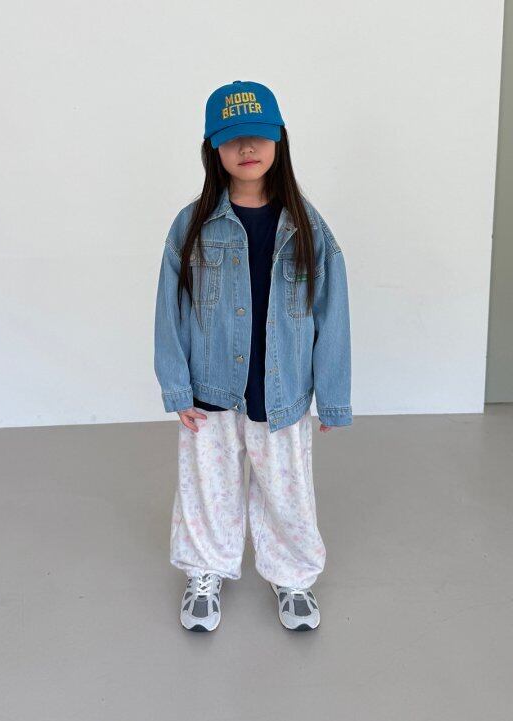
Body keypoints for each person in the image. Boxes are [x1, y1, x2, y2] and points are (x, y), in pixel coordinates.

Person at [153, 79, 353, 632]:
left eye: (259, 136)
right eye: (233, 138)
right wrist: (176, 386)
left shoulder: (308, 227)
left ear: (278, 140)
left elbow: (332, 312)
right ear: (213, 148)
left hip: (281, 389)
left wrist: (332, 397)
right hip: (210, 386)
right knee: (206, 487)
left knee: (287, 491)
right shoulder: (191, 226)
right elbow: (169, 310)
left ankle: (293, 577)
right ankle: (205, 570)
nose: (247, 148)